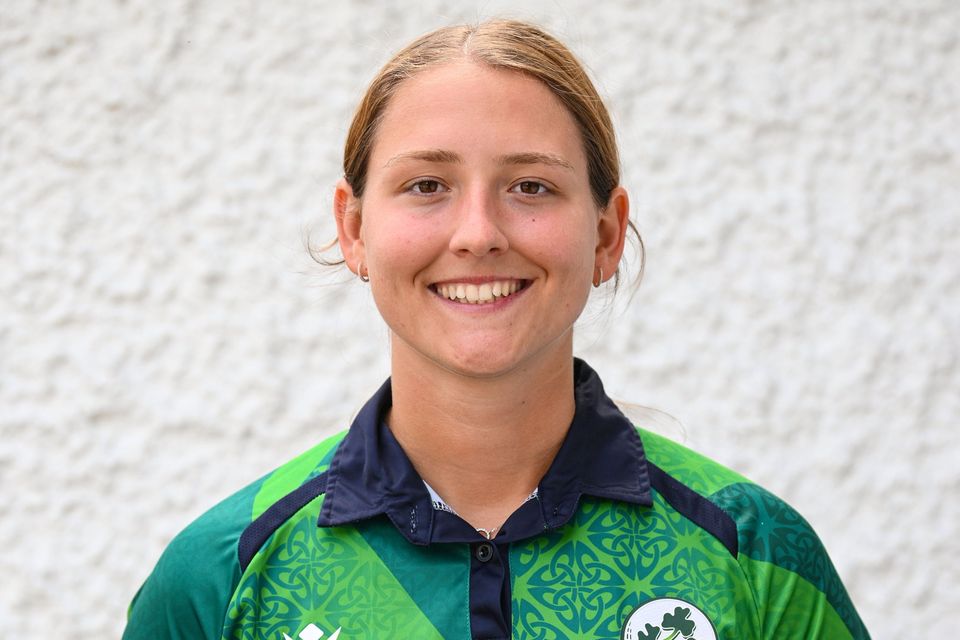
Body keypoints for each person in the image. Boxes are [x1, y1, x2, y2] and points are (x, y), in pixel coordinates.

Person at [123, 19, 871, 640]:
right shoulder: (221, 576)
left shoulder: (752, 553)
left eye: (530, 186)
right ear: (353, 229)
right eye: (427, 186)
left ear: (607, 234)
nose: (478, 233)